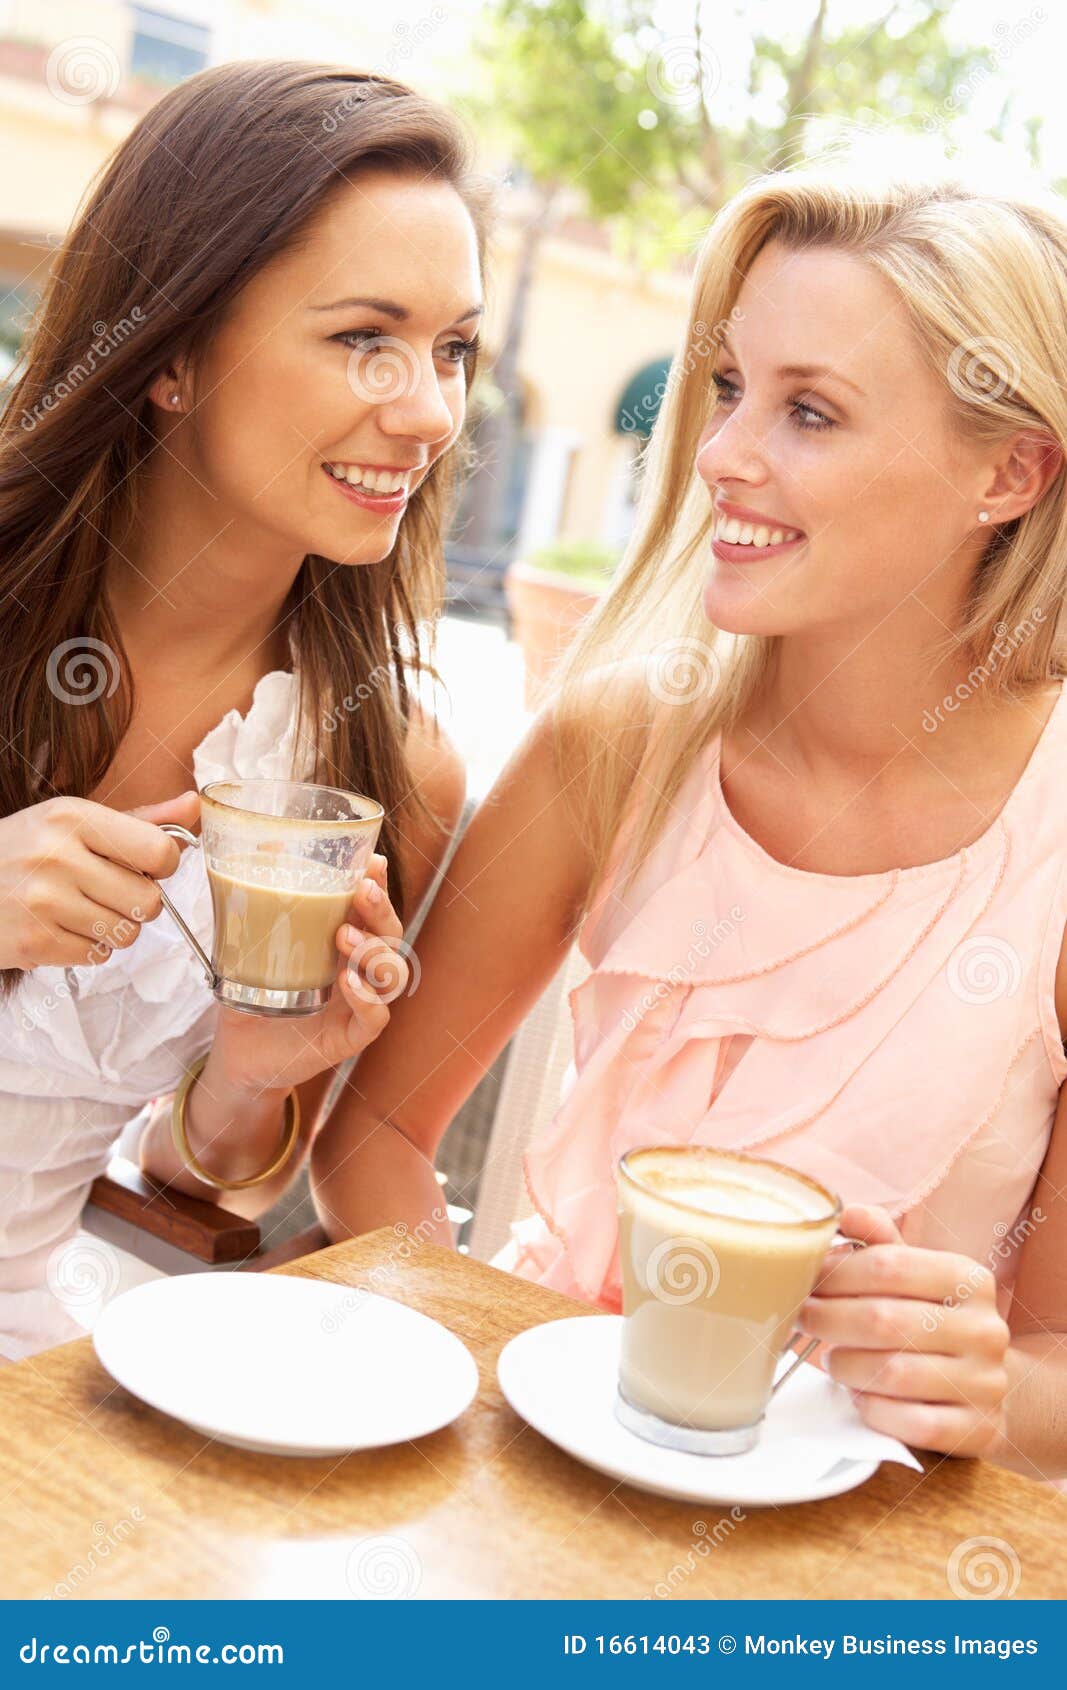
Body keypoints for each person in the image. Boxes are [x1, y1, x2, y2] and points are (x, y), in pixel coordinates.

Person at [312, 141, 1067, 1481]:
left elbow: (1055, 1372)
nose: (721, 453)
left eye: (811, 412)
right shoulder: (620, 735)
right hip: (530, 1478)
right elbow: (371, 1133)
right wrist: (485, 1377)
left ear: (1009, 475)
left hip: (855, 1569)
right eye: (728, 387)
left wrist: (990, 1388)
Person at [0, 59, 490, 1360]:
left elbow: (212, 1175)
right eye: (362, 339)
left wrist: (252, 1075)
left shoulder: (381, 761)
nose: (431, 408)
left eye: (453, 349)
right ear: (169, 356)